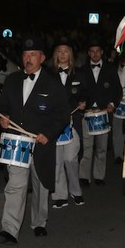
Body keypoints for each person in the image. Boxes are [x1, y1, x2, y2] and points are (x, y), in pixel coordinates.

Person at [0, 37, 68, 244]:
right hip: (16, 142)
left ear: (42, 58)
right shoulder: (12, 80)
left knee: (41, 185)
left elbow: (62, 115)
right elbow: (4, 106)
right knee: (15, 185)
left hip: (41, 143)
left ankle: (39, 222)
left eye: (33, 54)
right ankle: (9, 230)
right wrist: (4, 119)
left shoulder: (53, 83)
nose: (28, 58)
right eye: (25, 55)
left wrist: (49, 134)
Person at [50, 39, 88, 208]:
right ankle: (59, 195)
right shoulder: (48, 74)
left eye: (66, 51)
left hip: (74, 122)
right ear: (55, 55)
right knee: (57, 160)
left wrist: (83, 102)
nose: (63, 54)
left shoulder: (78, 73)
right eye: (60, 51)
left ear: (70, 55)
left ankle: (76, 191)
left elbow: (86, 93)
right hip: (54, 122)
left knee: (71, 159)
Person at [79, 39, 122, 186]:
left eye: (98, 51)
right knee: (87, 147)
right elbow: (78, 90)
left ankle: (99, 176)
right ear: (88, 53)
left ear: (102, 52)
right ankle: (84, 176)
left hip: (103, 113)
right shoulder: (82, 69)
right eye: (92, 51)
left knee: (102, 147)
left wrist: (112, 104)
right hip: (87, 113)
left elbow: (118, 90)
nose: (95, 54)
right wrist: (80, 102)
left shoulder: (110, 69)